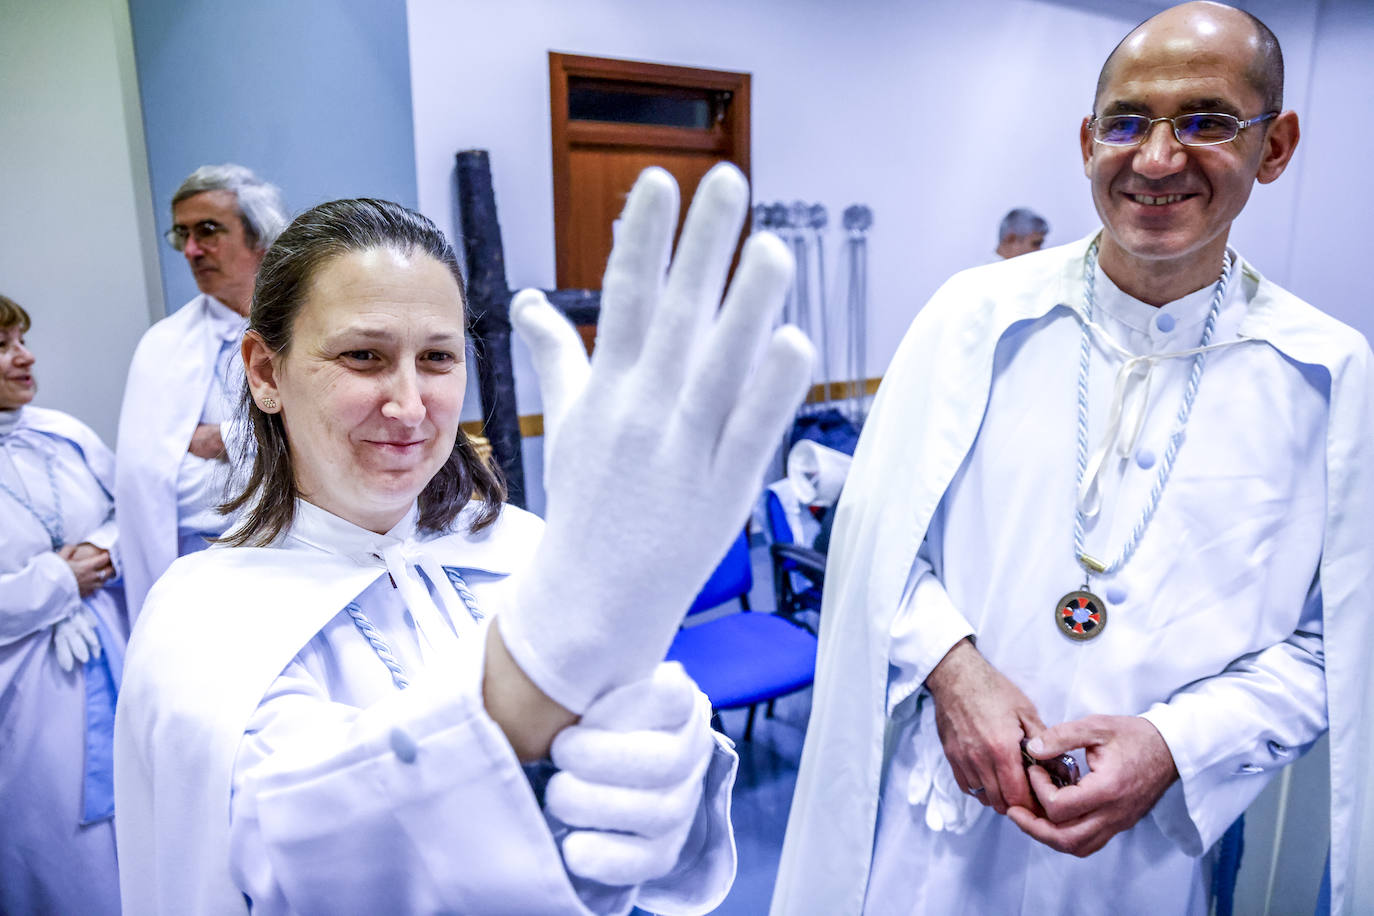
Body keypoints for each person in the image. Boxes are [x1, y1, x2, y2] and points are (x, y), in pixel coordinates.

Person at [774, 3, 1374, 915]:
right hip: (937, 828)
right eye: (1127, 122)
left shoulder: (1328, 377)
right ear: (1087, 140)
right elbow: (873, 540)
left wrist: (1177, 744)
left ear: (1276, 146)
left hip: (1140, 856)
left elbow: (1339, 645)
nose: (1158, 158)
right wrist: (952, 666)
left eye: (1207, 122)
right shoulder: (972, 319)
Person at [114, 164, 814, 914]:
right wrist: (532, 684)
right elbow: (294, 840)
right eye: (364, 356)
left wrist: (663, 792)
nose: (411, 406)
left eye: (439, 358)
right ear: (265, 372)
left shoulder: (521, 548)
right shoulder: (201, 616)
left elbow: (622, 769)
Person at [116, 163, 289, 619]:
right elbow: (160, 491)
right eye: (182, 235)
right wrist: (276, 460)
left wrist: (226, 439)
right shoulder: (163, 346)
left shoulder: (308, 329)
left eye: (208, 230)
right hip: (208, 580)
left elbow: (337, 445)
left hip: (318, 563)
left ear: (260, 236)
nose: (191, 250)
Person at [0, 294, 127, 915]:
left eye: (21, 338)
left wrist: (100, 553)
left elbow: (126, 514)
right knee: (49, 840)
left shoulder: (64, 433)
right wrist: (56, 581)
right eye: (3, 345)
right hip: (23, 692)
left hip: (109, 644)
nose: (25, 357)